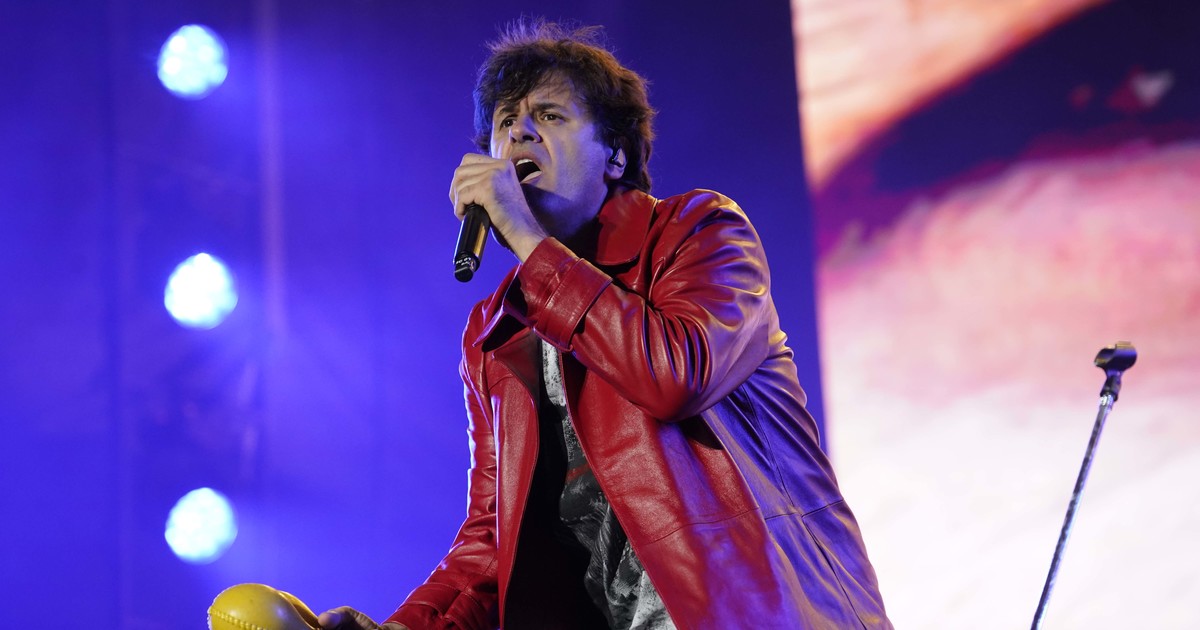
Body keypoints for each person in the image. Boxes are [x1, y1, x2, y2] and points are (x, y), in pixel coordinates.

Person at [319, 19, 891, 630]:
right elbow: (491, 540)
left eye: (550, 115)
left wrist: (528, 241)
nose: (519, 132)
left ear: (615, 156)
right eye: (506, 121)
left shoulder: (697, 233)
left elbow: (673, 375)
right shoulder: (498, 331)